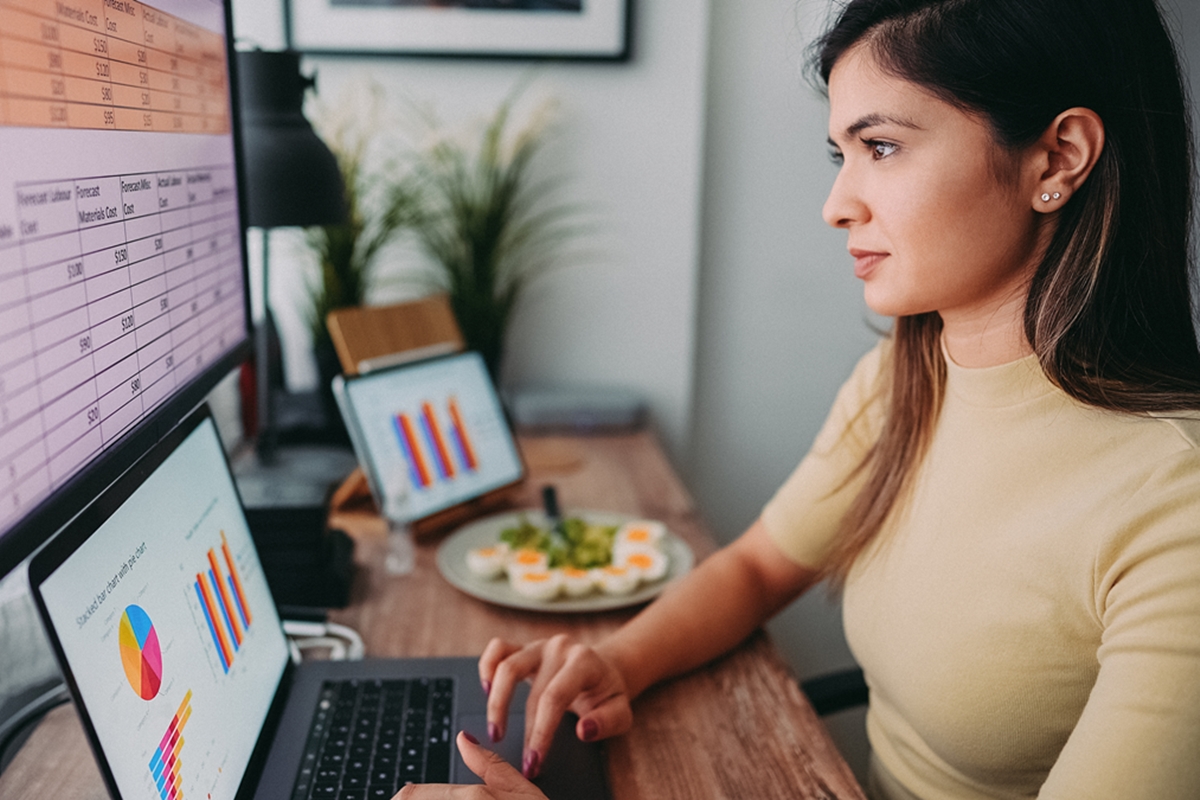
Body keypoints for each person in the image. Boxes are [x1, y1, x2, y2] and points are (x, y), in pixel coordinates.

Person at [399, 0, 1200, 797]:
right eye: (841, 155)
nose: (837, 205)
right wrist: (619, 660)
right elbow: (755, 567)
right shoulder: (902, 382)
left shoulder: (1176, 506)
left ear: (1058, 159)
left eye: (882, 147)